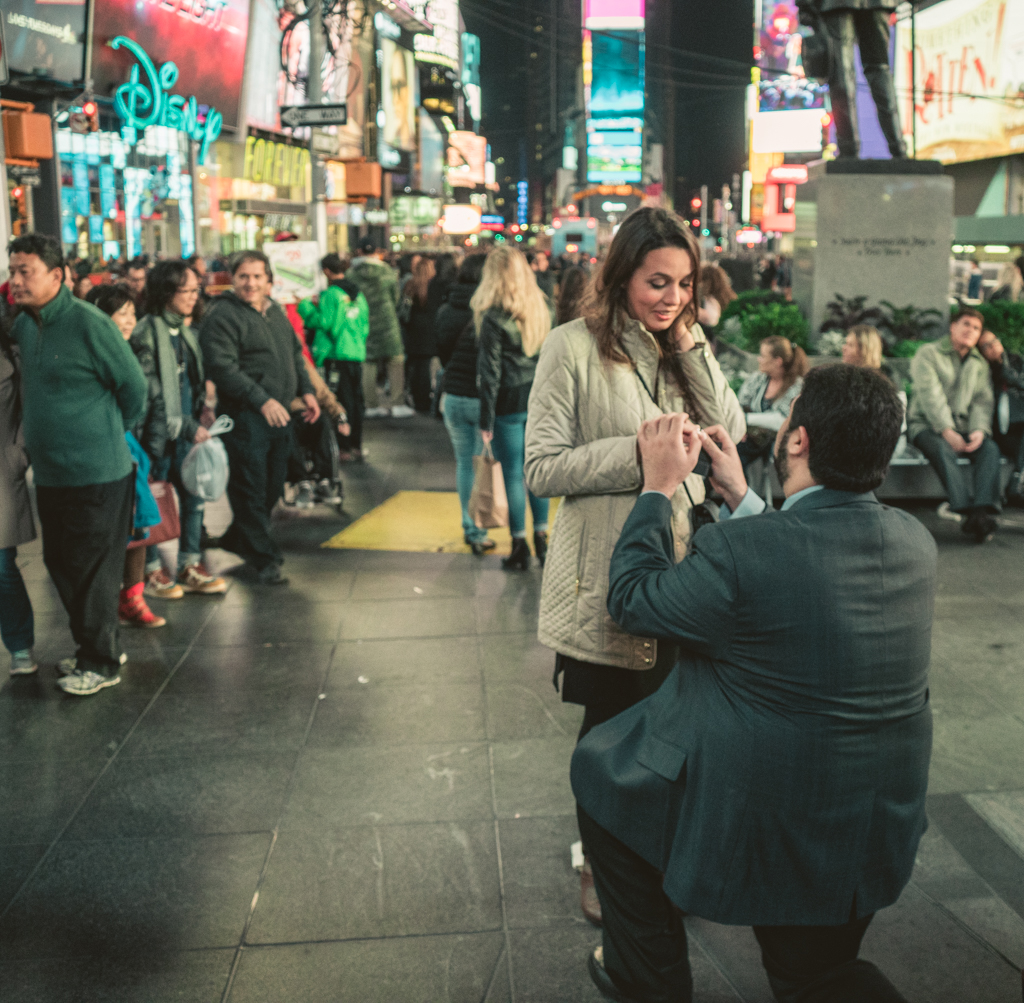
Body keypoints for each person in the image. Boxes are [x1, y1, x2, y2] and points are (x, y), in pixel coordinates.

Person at [575, 364, 933, 1003]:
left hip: (773, 809)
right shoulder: (912, 541)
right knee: (813, 974)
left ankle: (647, 980)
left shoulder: (746, 556)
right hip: (877, 815)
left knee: (604, 776)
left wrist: (657, 489)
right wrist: (744, 501)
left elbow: (633, 599)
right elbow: (802, 566)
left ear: (796, 439)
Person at [524, 207, 745, 924]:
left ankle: (660, 857)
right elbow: (540, 467)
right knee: (610, 737)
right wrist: (640, 456)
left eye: (683, 284)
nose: (670, 297)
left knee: (677, 734)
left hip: (683, 579)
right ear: (621, 275)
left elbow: (732, 431)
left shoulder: (681, 344)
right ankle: (598, 864)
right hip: (610, 582)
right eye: (657, 282)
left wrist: (690, 341)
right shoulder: (571, 347)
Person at [8, 234, 147, 696]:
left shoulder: (90, 323)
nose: (16, 280)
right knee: (61, 563)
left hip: (98, 472)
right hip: (50, 475)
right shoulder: (25, 327)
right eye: (13, 271)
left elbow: (133, 388)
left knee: (91, 569)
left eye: (25, 271)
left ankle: (100, 661)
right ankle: (100, 645)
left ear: (58, 275)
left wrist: (104, 431)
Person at [199, 250, 319, 585]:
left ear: (269, 280)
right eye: (243, 277)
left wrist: (307, 390)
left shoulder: (274, 310)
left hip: (280, 417)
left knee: (270, 486)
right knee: (249, 488)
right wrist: (261, 400)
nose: (250, 283)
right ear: (233, 280)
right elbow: (222, 367)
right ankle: (264, 557)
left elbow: (295, 353)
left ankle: (239, 538)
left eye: (257, 277)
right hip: (245, 417)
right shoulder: (222, 315)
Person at [132, 261, 227, 598]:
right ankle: (152, 569)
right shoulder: (146, 332)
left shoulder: (185, 330)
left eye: (194, 289)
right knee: (152, 501)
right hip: (157, 436)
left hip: (185, 431)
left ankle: (189, 563)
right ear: (165, 292)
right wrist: (187, 425)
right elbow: (150, 395)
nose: (192, 296)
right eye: (184, 290)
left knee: (193, 496)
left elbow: (192, 382)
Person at [88, 283, 169, 629]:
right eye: (121, 313)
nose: (129, 320)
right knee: (109, 534)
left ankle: (132, 597)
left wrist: (152, 449)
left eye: (132, 313)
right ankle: (104, 606)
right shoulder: (90, 355)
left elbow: (155, 401)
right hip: (104, 453)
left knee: (140, 526)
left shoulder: (140, 351)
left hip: (137, 454)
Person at [475, 247, 552, 570]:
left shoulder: (493, 316)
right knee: (538, 470)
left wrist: (486, 418)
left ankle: (518, 544)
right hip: (540, 399)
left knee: (512, 473)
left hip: (507, 401)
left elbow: (489, 373)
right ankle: (543, 539)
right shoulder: (542, 306)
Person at [908, 307, 1001, 542]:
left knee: (989, 449)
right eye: (966, 324)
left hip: (965, 428)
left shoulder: (979, 363)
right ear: (952, 327)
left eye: (976, 328)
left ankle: (980, 511)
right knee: (941, 448)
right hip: (926, 424)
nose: (971, 330)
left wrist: (979, 430)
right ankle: (968, 511)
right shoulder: (929, 353)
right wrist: (947, 430)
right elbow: (931, 397)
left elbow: (983, 401)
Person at [436, 253, 494, 555]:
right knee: (482, 464)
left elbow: (443, 352)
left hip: (452, 397)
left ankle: (469, 526)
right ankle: (479, 529)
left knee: (464, 464)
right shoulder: (488, 311)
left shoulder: (446, 309)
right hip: (480, 398)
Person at [799, 0, 905, 159]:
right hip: (875, 4)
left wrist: (805, 5)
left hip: (837, 5)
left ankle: (849, 150)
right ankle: (898, 148)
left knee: (842, 73)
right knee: (879, 70)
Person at [298, 253, 369, 460]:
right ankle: (356, 445)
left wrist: (305, 306)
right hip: (356, 352)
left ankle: (344, 448)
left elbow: (324, 322)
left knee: (341, 401)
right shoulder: (358, 294)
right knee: (357, 402)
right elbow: (364, 324)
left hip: (337, 354)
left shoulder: (332, 294)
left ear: (326, 271)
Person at [0, 313, 37, 676]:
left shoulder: (10, 349)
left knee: (0, 564)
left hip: (1, 468)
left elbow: (31, 406)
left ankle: (19, 644)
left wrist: (19, 453)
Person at [348, 239, 412, 418]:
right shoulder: (386, 271)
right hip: (387, 321)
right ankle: (397, 403)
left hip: (363, 322)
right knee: (395, 360)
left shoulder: (351, 274)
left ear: (358, 251)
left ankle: (370, 405)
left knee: (368, 363)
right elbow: (396, 297)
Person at [736, 335, 807, 472]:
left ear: (778, 361)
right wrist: (739, 426)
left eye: (763, 356)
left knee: (735, 455)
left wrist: (744, 420)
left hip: (776, 441)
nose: (759, 359)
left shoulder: (796, 386)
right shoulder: (758, 379)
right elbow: (740, 404)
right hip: (750, 437)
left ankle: (737, 490)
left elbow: (781, 420)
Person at [978, 329, 1024, 506]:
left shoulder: (1017, 362)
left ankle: (1017, 477)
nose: (993, 346)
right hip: (1002, 432)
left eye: (995, 340)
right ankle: (1017, 479)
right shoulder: (983, 371)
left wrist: (1010, 375)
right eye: (986, 345)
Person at [403, 255, 440, 413]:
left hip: (412, 330)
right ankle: (424, 400)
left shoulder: (410, 285)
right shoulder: (434, 287)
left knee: (415, 365)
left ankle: (415, 396)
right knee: (425, 366)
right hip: (429, 330)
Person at [696, 262, 736, 333]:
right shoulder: (729, 296)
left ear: (708, 282)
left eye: (701, 280)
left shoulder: (711, 301)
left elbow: (711, 321)